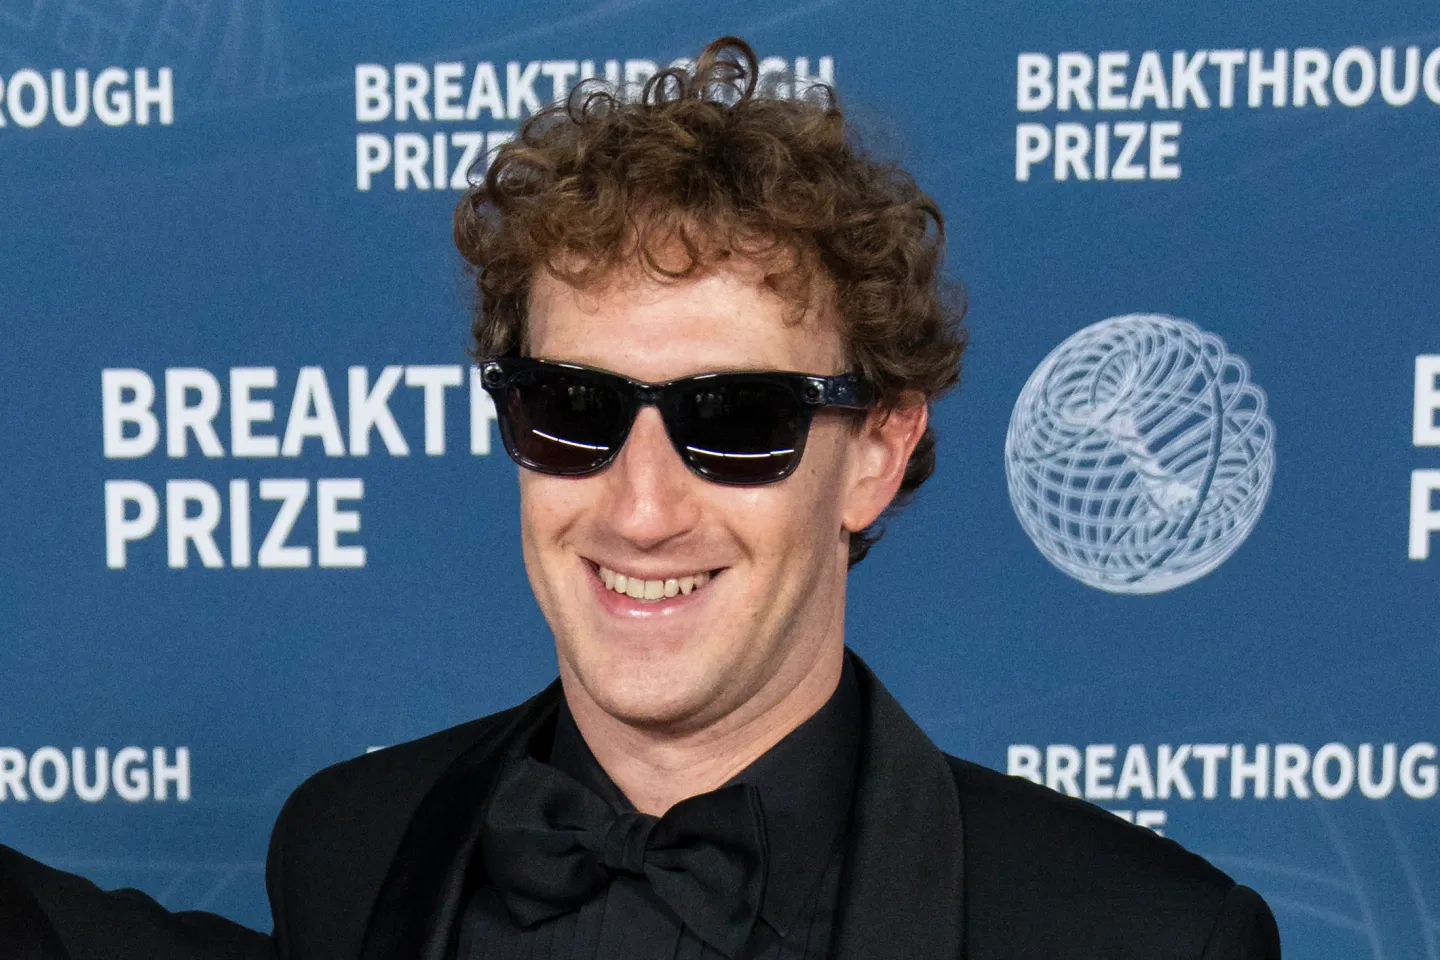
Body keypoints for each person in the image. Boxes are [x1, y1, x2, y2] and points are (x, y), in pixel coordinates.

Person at [3, 36, 1280, 960]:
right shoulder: (353, 847)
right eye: (576, 410)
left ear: (879, 452)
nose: (642, 505)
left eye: (738, 421)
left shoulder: (1142, 934)